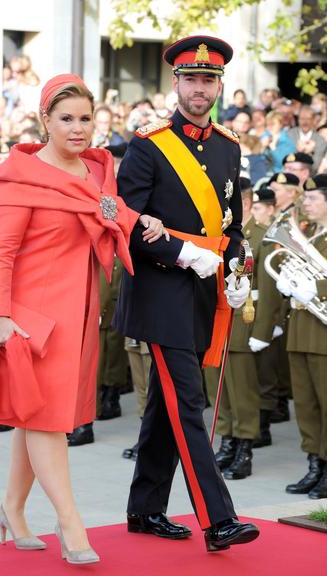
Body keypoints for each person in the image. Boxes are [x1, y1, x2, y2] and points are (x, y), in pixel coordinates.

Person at [0, 73, 166, 565]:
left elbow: (108, 209)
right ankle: (71, 522)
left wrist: (142, 220)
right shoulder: (20, 176)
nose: (78, 129)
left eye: (85, 118)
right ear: (44, 121)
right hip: (30, 318)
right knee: (47, 419)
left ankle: (12, 508)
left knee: (33, 416)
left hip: (77, 313)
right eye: (66, 119)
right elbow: (0, 253)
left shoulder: (96, 172)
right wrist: (0, 316)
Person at [113, 35, 259, 551]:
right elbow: (125, 224)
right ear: (175, 82)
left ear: (220, 85)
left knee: (164, 404)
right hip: (160, 292)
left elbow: (231, 223)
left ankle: (145, 508)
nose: (201, 89)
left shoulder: (227, 144)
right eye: (192, 79)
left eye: (209, 79)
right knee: (187, 403)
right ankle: (218, 519)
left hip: (203, 293)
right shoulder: (148, 144)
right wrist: (181, 252)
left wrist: (238, 257)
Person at [206, 179, 281, 477]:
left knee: (242, 391)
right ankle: (228, 440)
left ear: (244, 204)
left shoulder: (260, 238)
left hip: (244, 323)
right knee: (218, 387)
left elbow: (269, 291)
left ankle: (245, 447)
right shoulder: (221, 236)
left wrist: (262, 334)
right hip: (217, 322)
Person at [276, 174, 327, 499]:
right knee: (306, 404)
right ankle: (315, 463)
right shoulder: (311, 235)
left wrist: (318, 287)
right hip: (301, 330)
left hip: (322, 335)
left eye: (312, 199)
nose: (305, 203)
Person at [288, 105, 327, 171]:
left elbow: (315, 166)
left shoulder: (320, 141)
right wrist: (297, 150)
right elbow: (284, 159)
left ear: (313, 120)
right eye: (302, 119)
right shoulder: (289, 135)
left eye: (308, 119)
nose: (305, 122)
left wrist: (308, 152)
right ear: (298, 119)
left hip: (310, 178)